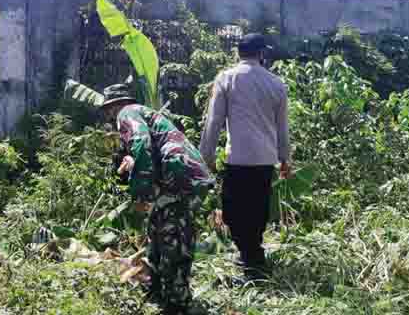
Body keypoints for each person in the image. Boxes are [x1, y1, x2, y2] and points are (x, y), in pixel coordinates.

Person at [101, 84, 215, 313]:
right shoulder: (141, 112)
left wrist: (141, 192)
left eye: (108, 111)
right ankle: (158, 289)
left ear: (112, 107)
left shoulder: (127, 113)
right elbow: (147, 148)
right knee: (159, 231)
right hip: (181, 177)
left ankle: (177, 300)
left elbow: (142, 144)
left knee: (173, 238)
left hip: (180, 178)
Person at [199, 33, 291, 282]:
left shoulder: (226, 79)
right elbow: (282, 127)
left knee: (234, 211)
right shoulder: (276, 83)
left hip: (237, 159)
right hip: (264, 160)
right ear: (261, 54)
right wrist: (285, 159)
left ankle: (251, 259)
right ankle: (252, 255)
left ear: (238, 53)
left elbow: (214, 121)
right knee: (257, 209)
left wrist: (205, 155)